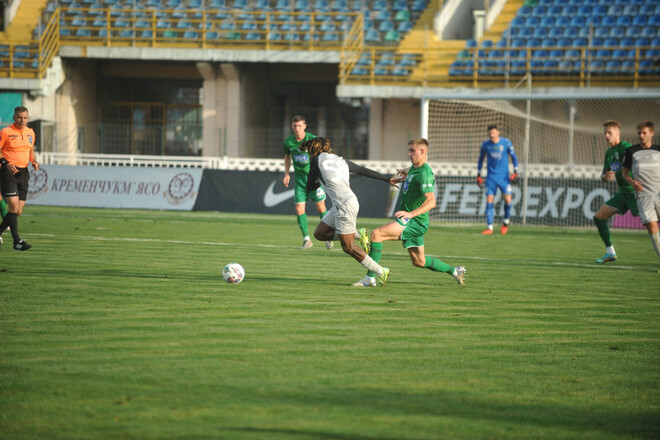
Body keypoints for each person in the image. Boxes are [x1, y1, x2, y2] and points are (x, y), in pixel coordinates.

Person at [353, 138, 466, 287]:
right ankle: (455, 271)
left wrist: (411, 214)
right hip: (416, 221)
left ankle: (370, 278)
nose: (409, 154)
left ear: (422, 152)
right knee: (420, 262)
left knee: (376, 234)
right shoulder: (414, 168)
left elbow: (431, 201)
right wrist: (402, 172)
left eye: (412, 151)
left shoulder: (424, 174)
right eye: (409, 150)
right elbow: (409, 171)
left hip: (415, 221)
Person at [300, 137, 400, 286]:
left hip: (344, 206)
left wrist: (315, 181)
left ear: (314, 149)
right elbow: (362, 170)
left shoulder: (315, 161)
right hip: (343, 203)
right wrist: (387, 179)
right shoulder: (340, 160)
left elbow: (309, 187)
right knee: (320, 234)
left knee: (348, 247)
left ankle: (380, 271)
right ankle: (359, 234)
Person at [282, 115, 333, 250]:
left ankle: (328, 236)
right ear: (292, 127)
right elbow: (287, 158)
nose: (297, 128)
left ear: (304, 126)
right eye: (295, 126)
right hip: (299, 180)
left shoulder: (312, 139)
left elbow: (322, 155)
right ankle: (306, 239)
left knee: (321, 207)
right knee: (299, 209)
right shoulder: (288, 143)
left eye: (300, 126)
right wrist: (286, 174)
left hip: (314, 179)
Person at [592, 120, 636, 264]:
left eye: (610, 132)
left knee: (652, 223)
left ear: (618, 133)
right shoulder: (609, 153)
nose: (606, 135)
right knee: (599, 217)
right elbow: (604, 175)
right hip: (623, 193)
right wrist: (605, 176)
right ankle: (610, 252)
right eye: (605, 133)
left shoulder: (626, 148)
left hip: (636, 192)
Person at [0, 106, 39, 251]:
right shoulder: (6, 132)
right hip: (8, 172)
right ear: (14, 118)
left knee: (18, 211)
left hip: (23, 172)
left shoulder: (30, 132)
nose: (22, 121)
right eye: (19, 118)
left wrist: (33, 161)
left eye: (25, 118)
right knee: (13, 207)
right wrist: (6, 163)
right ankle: (16, 241)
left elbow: (30, 150)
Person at [622, 120, 660, 261]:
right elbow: (624, 173)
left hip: (659, 193)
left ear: (652, 133)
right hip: (643, 196)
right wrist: (632, 183)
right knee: (652, 227)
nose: (641, 135)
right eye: (639, 133)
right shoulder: (631, 151)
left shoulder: (658, 150)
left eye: (644, 133)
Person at [477, 124, 519, 235]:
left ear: (498, 133)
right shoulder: (485, 145)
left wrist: (516, 171)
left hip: (504, 177)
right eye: (490, 133)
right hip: (491, 177)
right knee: (489, 201)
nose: (492, 135)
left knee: (508, 201)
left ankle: (505, 222)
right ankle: (489, 227)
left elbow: (514, 157)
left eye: (494, 132)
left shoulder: (506, 143)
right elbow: (481, 159)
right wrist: (478, 174)